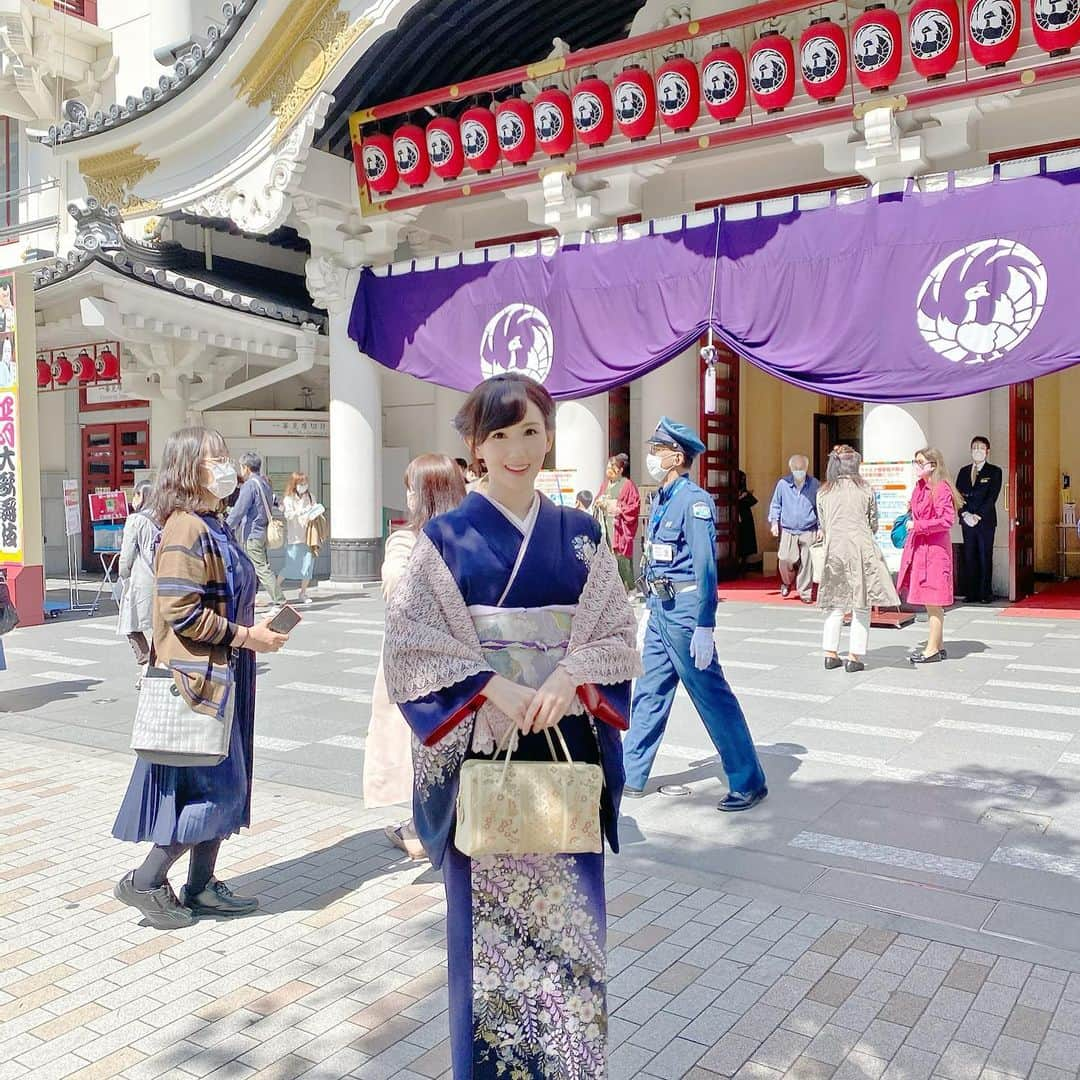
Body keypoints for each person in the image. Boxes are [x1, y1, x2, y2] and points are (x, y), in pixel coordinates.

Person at [383, 373, 640, 1080]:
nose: (519, 449)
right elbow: (411, 648)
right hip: (483, 757)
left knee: (567, 936)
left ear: (549, 435)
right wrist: (491, 685)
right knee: (488, 951)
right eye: (500, 436)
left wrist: (568, 677)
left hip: (563, 750)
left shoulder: (581, 534)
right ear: (476, 450)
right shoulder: (445, 538)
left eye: (531, 430)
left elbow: (616, 632)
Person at [112, 427, 289, 930]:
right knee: (213, 792)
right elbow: (180, 612)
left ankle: (201, 885)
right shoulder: (186, 527)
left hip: (226, 673)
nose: (224, 465)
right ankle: (146, 880)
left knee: (225, 784)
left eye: (226, 455)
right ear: (188, 468)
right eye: (214, 458)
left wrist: (255, 626)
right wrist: (246, 635)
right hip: (200, 680)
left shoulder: (216, 522)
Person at [622, 418, 768, 811]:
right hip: (660, 610)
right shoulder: (662, 499)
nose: (652, 456)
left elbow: (705, 567)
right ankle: (630, 774)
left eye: (658, 449)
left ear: (676, 456)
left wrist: (706, 624)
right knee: (649, 693)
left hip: (686, 614)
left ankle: (747, 780)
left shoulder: (694, 500)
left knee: (711, 697)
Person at [364, 453, 466, 860]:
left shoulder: (410, 543)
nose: (405, 496)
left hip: (419, 669)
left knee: (422, 747)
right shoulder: (465, 541)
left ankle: (424, 831)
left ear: (426, 494)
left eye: (411, 488)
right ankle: (430, 826)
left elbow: (398, 591)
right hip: (460, 665)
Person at [816, 446, 900, 672]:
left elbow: (823, 524)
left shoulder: (823, 491)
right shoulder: (865, 489)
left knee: (835, 605)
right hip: (861, 550)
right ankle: (854, 656)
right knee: (861, 605)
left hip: (834, 551)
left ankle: (829, 653)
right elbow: (873, 523)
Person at [899, 446, 965, 665]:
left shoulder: (941, 488)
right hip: (922, 549)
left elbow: (946, 521)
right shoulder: (920, 487)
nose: (916, 466)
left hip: (935, 552)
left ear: (932, 465)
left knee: (934, 602)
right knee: (929, 601)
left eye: (920, 462)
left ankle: (931, 650)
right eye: (915, 461)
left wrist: (917, 525)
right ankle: (939, 645)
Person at [227, 451, 285, 610]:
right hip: (262, 532)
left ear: (246, 467)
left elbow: (239, 510)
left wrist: (225, 526)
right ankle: (250, 599)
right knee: (254, 568)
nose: (241, 470)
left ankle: (279, 600)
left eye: (241, 467)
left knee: (260, 568)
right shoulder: (264, 483)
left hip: (252, 533)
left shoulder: (250, 485)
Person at [116, 480, 158, 669]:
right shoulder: (166, 518)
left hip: (142, 579)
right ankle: (158, 663)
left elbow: (126, 556)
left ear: (141, 495)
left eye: (135, 495)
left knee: (130, 624)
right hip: (166, 580)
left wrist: (123, 575)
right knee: (161, 627)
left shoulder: (136, 520)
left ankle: (145, 664)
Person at [768, 454, 820, 602]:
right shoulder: (783, 484)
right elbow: (775, 504)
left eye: (801, 468)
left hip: (809, 528)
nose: (799, 471)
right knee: (784, 558)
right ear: (791, 468)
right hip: (789, 529)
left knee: (807, 561)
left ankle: (805, 592)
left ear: (806, 468)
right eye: (796, 468)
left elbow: (819, 508)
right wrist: (774, 523)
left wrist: (821, 527)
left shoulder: (814, 484)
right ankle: (787, 580)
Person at [956, 436, 1002, 604]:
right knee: (970, 556)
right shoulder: (963, 471)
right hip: (967, 521)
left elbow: (992, 497)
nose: (977, 451)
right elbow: (957, 495)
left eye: (981, 448)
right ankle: (971, 593)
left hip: (985, 522)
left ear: (987, 452)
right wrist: (964, 514)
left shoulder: (994, 471)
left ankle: (985, 593)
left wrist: (978, 515)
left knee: (984, 555)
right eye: (974, 448)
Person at [596, 452, 641, 594]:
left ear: (620, 470)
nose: (609, 469)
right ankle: (614, 589)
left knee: (623, 558)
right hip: (607, 525)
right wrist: (599, 503)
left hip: (620, 527)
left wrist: (619, 508)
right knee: (608, 558)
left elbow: (634, 506)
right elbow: (597, 499)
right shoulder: (605, 485)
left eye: (612, 467)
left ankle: (630, 588)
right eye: (608, 466)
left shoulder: (627, 485)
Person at [277, 471, 322, 605]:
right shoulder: (288, 499)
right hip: (294, 538)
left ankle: (303, 592)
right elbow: (288, 515)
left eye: (305, 483)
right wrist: (301, 512)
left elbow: (316, 510)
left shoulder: (310, 496)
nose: (304, 486)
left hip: (309, 537)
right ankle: (275, 588)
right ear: (294, 484)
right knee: (290, 566)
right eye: (301, 483)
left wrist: (315, 511)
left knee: (308, 567)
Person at [736, 470, 759, 570]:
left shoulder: (742, 483)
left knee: (746, 539)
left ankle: (744, 563)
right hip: (736, 514)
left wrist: (744, 496)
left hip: (745, 515)